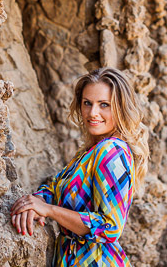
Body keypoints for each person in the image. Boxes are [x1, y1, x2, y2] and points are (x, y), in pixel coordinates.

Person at [11, 67, 149, 266]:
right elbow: (55, 188)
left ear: (120, 108)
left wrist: (49, 210)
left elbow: (110, 227)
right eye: (87, 103)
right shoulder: (89, 152)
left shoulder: (111, 150)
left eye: (104, 105)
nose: (93, 113)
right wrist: (37, 202)